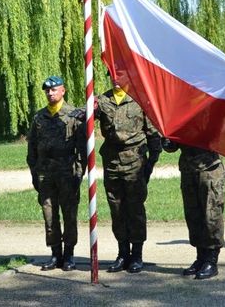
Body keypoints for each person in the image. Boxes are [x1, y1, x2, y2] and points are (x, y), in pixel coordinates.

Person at [96, 76, 162, 273]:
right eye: (113, 75)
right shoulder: (102, 101)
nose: (116, 80)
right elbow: (84, 116)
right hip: (112, 162)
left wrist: (150, 163)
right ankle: (122, 253)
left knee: (135, 209)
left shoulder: (140, 99)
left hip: (135, 162)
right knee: (116, 209)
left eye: (122, 75)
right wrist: (85, 111)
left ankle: (137, 254)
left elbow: (153, 134)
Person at [26, 76, 85, 271]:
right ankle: (55, 254)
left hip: (67, 173)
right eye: (47, 91)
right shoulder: (39, 117)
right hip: (46, 174)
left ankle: (69, 255)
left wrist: (78, 173)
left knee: (69, 215)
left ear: (63, 91)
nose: (50, 93)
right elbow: (32, 148)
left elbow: (82, 149)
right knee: (49, 215)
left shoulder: (74, 115)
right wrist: (34, 172)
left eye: (54, 90)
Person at [162, 139, 225, 280]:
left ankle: (211, 260)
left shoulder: (210, 115)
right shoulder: (179, 117)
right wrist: (168, 142)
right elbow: (173, 144)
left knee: (211, 214)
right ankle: (201, 258)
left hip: (209, 168)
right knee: (193, 215)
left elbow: (223, 134)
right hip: (188, 168)